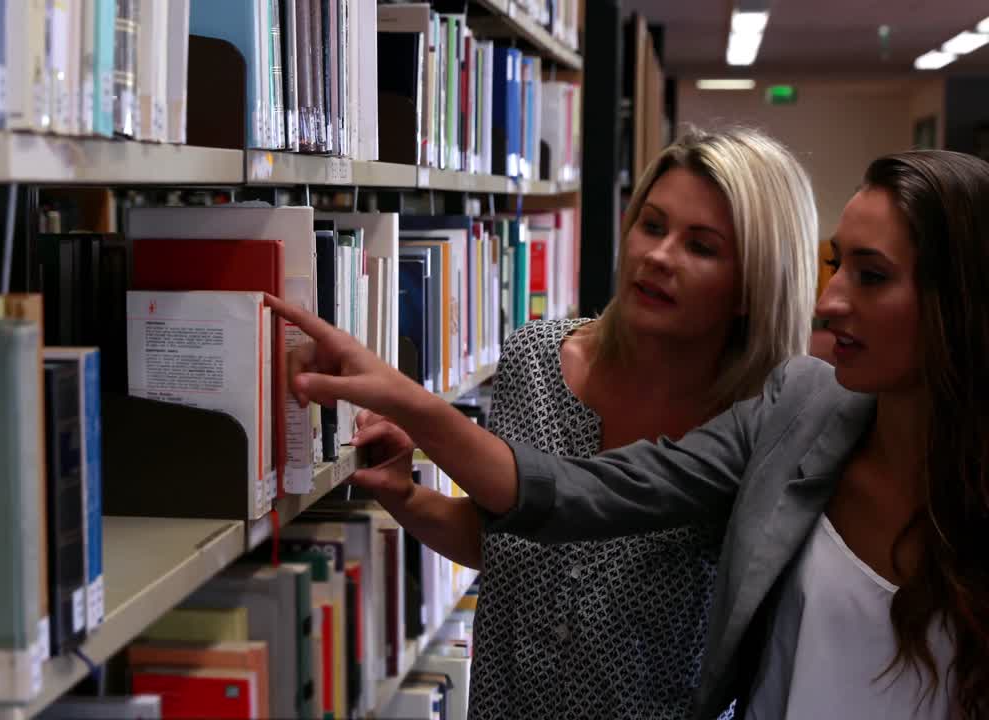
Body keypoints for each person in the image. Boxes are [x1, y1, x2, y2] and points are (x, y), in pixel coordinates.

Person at [270, 149, 989, 718]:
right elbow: (578, 498)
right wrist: (416, 414)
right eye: (837, 267)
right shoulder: (799, 413)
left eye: (870, 276)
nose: (829, 303)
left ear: (958, 300)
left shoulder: (767, 400)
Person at [348, 127, 820, 719]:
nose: (658, 256)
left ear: (754, 284)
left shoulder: (758, 425)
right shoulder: (538, 362)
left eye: (701, 247)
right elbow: (498, 539)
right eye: (652, 225)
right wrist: (407, 496)